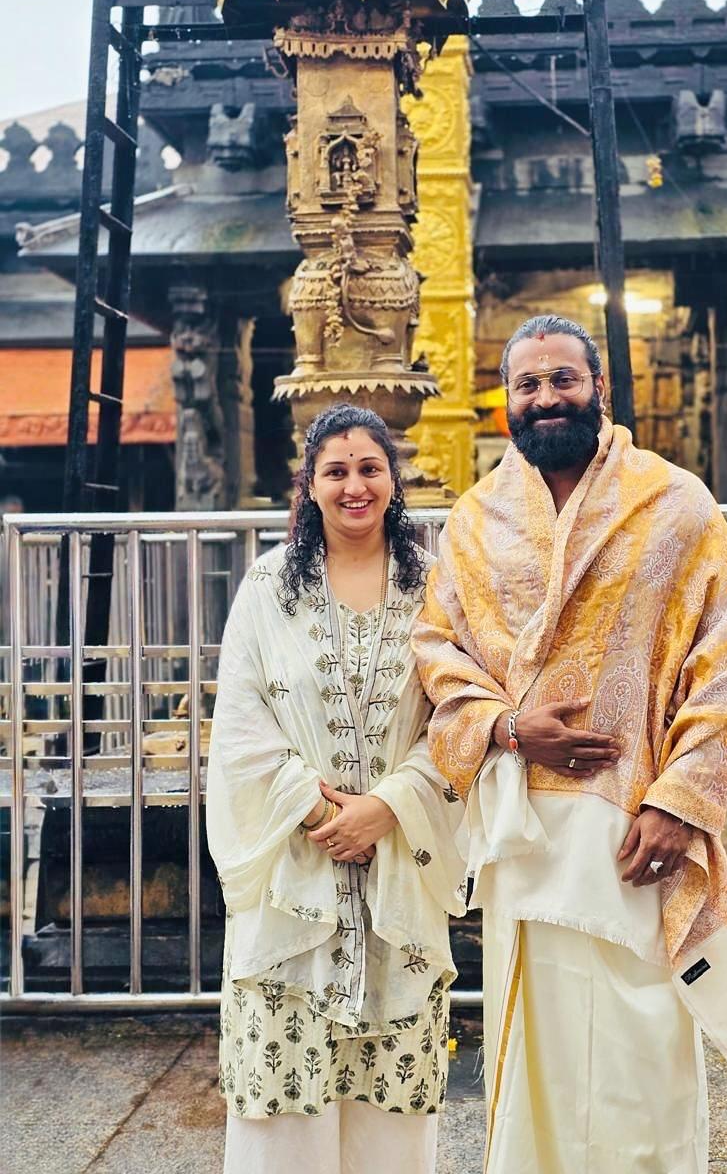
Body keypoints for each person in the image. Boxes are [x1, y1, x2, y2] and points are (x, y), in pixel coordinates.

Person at [412, 315, 727, 1174]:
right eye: (526, 385)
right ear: (507, 406)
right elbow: (435, 647)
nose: (545, 398)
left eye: (562, 379)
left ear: (600, 389)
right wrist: (503, 727)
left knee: (642, 1045)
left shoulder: (674, 504)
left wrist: (679, 803)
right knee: (533, 1046)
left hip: (634, 825)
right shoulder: (475, 520)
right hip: (524, 825)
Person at [207, 404, 467, 1174]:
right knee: (285, 1094)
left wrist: (389, 806)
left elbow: (457, 719)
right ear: (309, 486)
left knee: (390, 1093)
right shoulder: (266, 589)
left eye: (369, 468)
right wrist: (320, 809)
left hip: (400, 866)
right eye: (336, 471)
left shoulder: (438, 591)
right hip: (297, 865)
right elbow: (241, 725)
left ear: (394, 480)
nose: (355, 486)